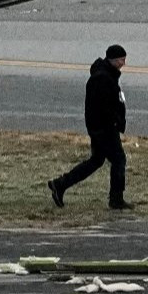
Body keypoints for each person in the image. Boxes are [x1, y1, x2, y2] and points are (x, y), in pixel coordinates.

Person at [48, 44, 132, 210]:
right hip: (104, 129)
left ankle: (60, 184)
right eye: (121, 60)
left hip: (101, 128)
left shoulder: (108, 74)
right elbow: (103, 107)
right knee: (118, 160)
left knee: (96, 161)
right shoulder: (102, 78)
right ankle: (116, 199)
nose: (123, 63)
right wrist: (114, 122)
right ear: (113, 60)